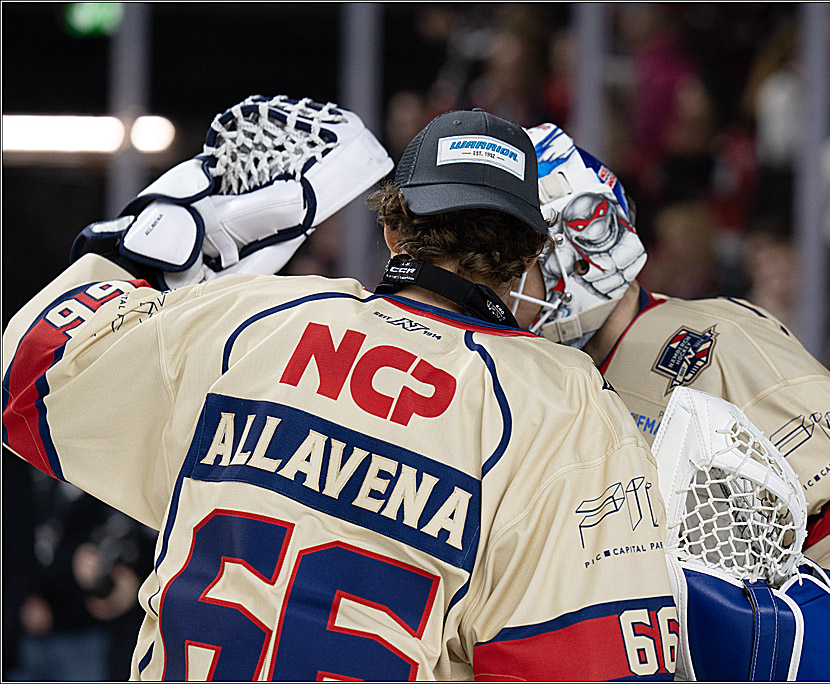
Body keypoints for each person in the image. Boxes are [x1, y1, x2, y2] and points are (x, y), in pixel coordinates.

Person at [2, 101, 677, 680]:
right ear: (530, 256)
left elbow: (28, 377)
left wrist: (145, 245)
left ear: (390, 229)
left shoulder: (253, 319)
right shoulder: (563, 404)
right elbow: (584, 663)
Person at [513, 123, 830, 681]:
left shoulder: (704, 335)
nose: (501, 280)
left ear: (579, 246)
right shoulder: (561, 380)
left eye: (515, 258)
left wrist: (798, 632)